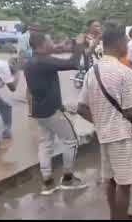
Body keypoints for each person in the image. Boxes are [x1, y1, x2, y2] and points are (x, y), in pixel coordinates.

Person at [77, 22, 132, 220]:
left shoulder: (92, 71)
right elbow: (131, 110)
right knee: (124, 184)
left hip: (103, 135)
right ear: (118, 43)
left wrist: (99, 123)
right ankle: (120, 217)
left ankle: (116, 215)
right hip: (121, 137)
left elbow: (81, 108)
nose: (126, 45)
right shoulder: (124, 72)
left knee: (110, 180)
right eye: (124, 40)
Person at [24, 32, 89, 195]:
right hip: (52, 111)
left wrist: (60, 46)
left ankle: (47, 182)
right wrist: (80, 44)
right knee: (71, 140)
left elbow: (53, 54)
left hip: (38, 112)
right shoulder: (44, 61)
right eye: (50, 40)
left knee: (46, 144)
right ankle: (68, 178)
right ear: (42, 45)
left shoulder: (31, 61)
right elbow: (74, 63)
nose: (52, 42)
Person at [0, 58, 22, 147]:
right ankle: (6, 132)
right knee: (6, 107)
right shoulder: (4, 66)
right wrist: (17, 73)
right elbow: (13, 88)